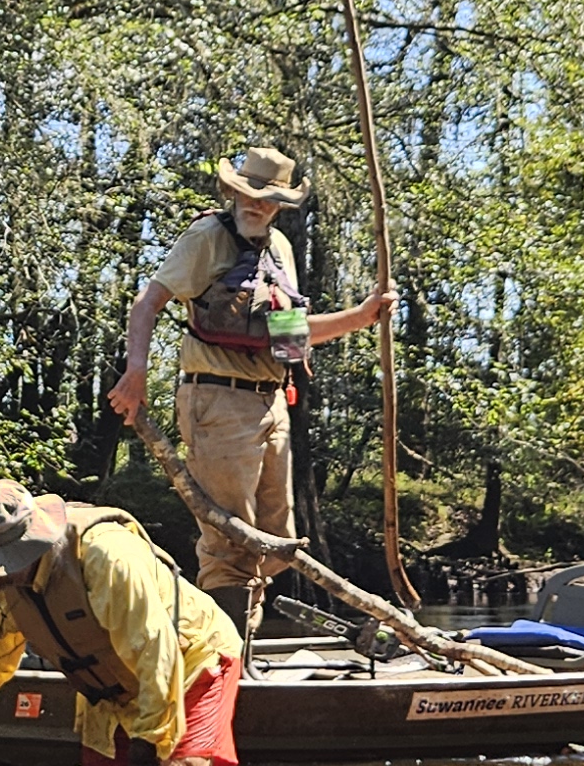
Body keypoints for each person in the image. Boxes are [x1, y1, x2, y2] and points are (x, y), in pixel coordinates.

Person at [105, 145, 395, 631]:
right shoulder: (205, 237)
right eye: (246, 193)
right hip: (216, 400)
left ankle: (235, 642)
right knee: (230, 541)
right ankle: (225, 663)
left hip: (270, 402)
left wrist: (362, 318)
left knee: (276, 540)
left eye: (265, 198)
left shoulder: (278, 249)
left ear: (279, 205)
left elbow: (287, 333)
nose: (254, 204)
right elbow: (147, 302)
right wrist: (136, 373)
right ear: (231, 192)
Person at [0, 479, 243, 766]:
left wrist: (145, 755)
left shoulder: (107, 557)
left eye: (4, 559)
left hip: (190, 657)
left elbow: (156, 654)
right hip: (112, 689)